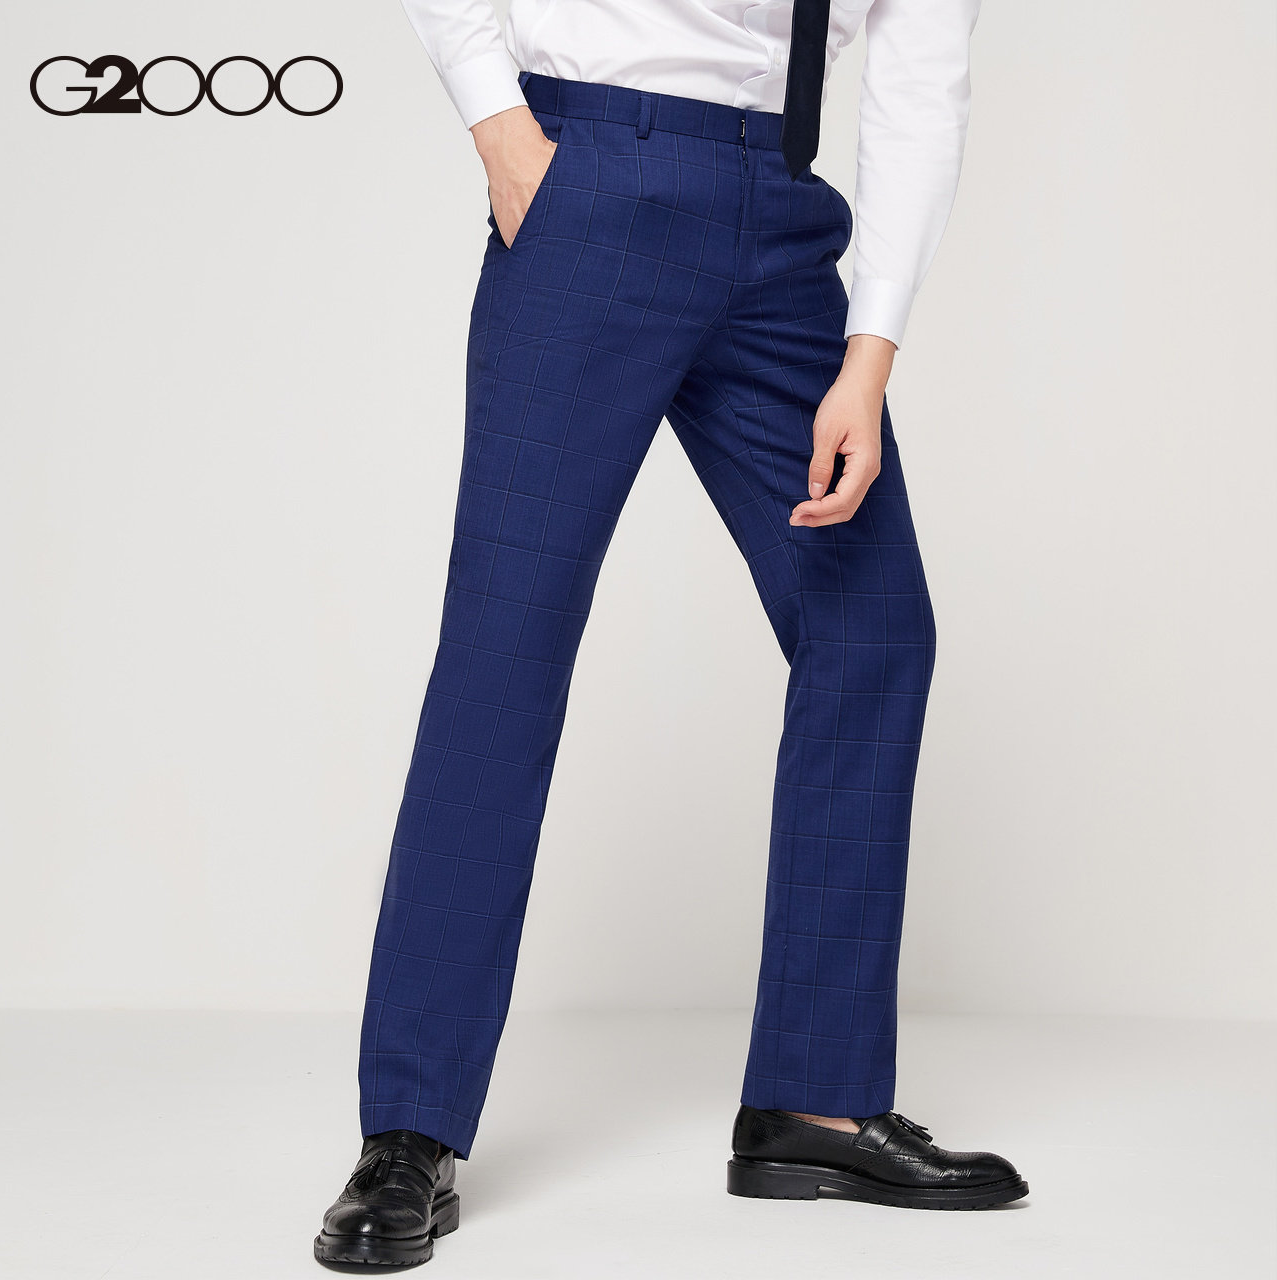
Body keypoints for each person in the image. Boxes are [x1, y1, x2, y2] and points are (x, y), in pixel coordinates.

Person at [315, 0, 1027, 1267]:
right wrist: (501, 129)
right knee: (505, 646)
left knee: (869, 627)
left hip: (781, 221)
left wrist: (869, 351)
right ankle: (407, 1129)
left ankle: (814, 1101)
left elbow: (921, 79)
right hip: (592, 177)